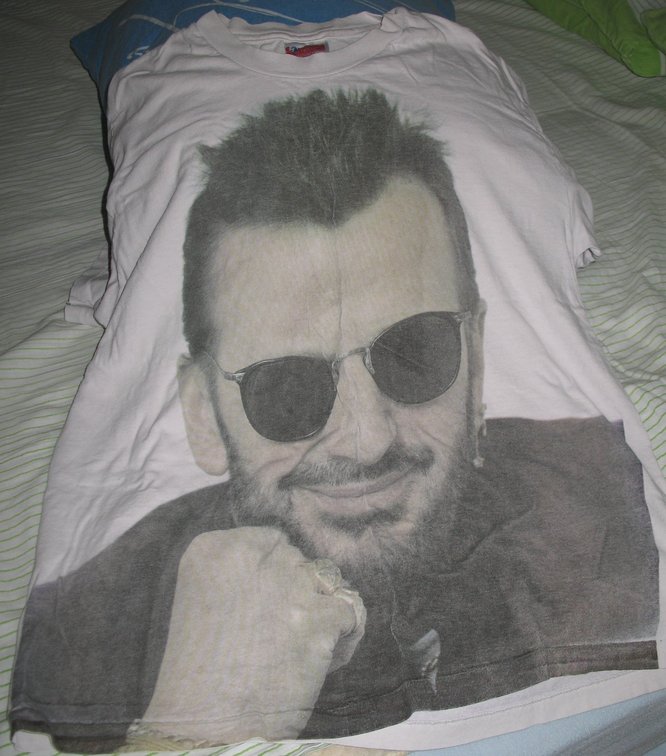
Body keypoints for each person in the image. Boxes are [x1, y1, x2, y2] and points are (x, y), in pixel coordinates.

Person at [11, 89, 658, 752]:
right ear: (203, 415)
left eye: (415, 352)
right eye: (287, 387)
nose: (367, 438)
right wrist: (183, 727)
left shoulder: (601, 497)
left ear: (478, 356)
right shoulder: (84, 632)